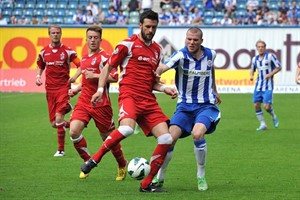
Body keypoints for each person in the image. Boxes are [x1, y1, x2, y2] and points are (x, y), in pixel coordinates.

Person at [82, 10, 177, 192]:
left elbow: (153, 83)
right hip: (130, 96)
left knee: (166, 139)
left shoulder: (157, 50)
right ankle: (95, 159)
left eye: (154, 27)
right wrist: (100, 90)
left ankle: (146, 184)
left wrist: (165, 88)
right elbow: (108, 66)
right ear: (140, 25)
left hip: (148, 100)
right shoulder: (127, 45)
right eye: (147, 26)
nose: (150, 30)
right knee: (127, 128)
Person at [152, 27, 221, 191]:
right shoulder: (181, 55)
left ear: (201, 41)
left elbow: (211, 68)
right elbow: (164, 66)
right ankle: (160, 177)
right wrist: (156, 73)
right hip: (184, 107)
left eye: (195, 40)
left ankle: (201, 175)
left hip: (206, 105)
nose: (191, 42)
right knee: (169, 139)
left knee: (197, 134)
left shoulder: (211, 54)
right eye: (189, 39)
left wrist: (215, 90)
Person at [68, 25, 127, 180]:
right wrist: (77, 88)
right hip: (83, 102)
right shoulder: (84, 59)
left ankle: (122, 164)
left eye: (96, 38)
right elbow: (86, 81)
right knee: (74, 131)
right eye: (90, 37)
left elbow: (115, 77)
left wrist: (95, 75)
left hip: (101, 104)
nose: (93, 40)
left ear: (101, 40)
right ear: (86, 39)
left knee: (108, 139)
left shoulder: (106, 58)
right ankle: (87, 161)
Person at [36, 25, 81, 157]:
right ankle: (74, 125)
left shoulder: (67, 51)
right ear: (49, 35)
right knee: (54, 124)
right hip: (50, 90)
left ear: (61, 34)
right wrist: (38, 76)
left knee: (59, 117)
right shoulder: (44, 52)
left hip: (63, 88)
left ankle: (61, 150)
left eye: (57, 33)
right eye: (53, 33)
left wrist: (75, 77)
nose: (55, 35)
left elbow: (81, 65)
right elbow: (40, 66)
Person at [249, 40, 281, 131]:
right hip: (258, 85)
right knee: (256, 105)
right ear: (256, 48)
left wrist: (270, 74)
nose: (260, 48)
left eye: (262, 46)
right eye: (259, 47)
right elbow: (252, 69)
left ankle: (273, 116)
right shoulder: (254, 59)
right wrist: (251, 76)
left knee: (266, 107)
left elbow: (279, 67)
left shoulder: (270, 56)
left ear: (265, 47)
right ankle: (263, 124)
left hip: (268, 86)